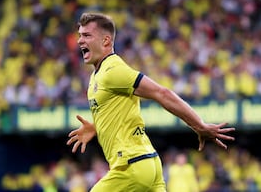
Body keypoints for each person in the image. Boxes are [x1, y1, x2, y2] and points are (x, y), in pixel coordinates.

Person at [66, 12, 235, 192]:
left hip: (131, 166)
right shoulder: (96, 76)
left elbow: (162, 93)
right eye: (79, 35)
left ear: (106, 41)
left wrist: (199, 125)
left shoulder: (113, 70)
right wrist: (96, 127)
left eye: (86, 35)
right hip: (148, 163)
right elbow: (118, 115)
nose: (79, 41)